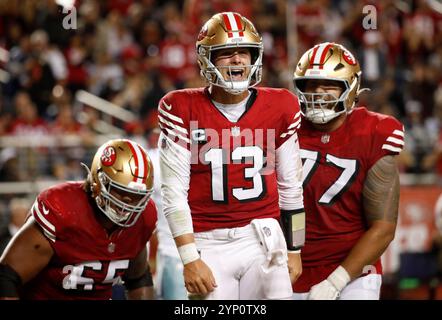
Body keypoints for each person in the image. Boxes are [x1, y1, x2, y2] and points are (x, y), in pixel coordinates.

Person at [158, 12, 305, 300]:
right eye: (226, 53)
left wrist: (295, 248)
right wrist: (189, 258)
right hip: (207, 242)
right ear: (206, 59)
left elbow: (291, 188)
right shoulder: (181, 108)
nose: (238, 60)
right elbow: (173, 193)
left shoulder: (281, 106)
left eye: (244, 53)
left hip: (262, 237)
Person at [291, 42, 404, 300]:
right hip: (292, 267)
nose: (318, 92)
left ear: (350, 88)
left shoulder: (374, 133)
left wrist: (336, 282)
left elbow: (384, 227)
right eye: (310, 84)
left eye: (329, 85)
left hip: (354, 270)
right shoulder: (285, 128)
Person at [0, 139, 157, 300]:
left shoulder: (143, 217)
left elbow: (138, 278)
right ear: (98, 182)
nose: (128, 206)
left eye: (137, 197)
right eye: (119, 192)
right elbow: (6, 277)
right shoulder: (63, 210)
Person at [147, 128, 187, 300]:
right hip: (172, 251)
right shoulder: (154, 160)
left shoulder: (207, 154)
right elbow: (145, 217)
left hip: (212, 248)